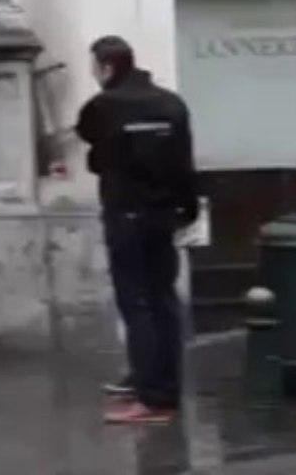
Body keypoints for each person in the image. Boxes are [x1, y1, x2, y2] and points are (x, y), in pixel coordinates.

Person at [75, 36, 198, 425]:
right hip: (164, 215)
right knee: (163, 299)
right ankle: (163, 385)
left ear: (106, 67)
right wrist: (187, 210)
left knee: (137, 303)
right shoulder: (171, 103)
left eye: (95, 68)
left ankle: (152, 397)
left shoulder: (103, 106)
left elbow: (93, 150)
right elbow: (184, 163)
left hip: (126, 214)